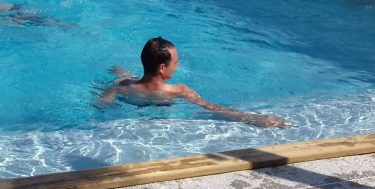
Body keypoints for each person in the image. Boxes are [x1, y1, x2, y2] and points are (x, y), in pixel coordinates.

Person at [99, 36, 287, 128]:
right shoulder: (179, 90)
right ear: (163, 68)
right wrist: (257, 119)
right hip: (158, 98)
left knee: (124, 75)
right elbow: (214, 108)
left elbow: (102, 104)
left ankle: (119, 69)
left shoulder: (123, 87)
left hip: (136, 91)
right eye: (176, 62)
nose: (178, 65)